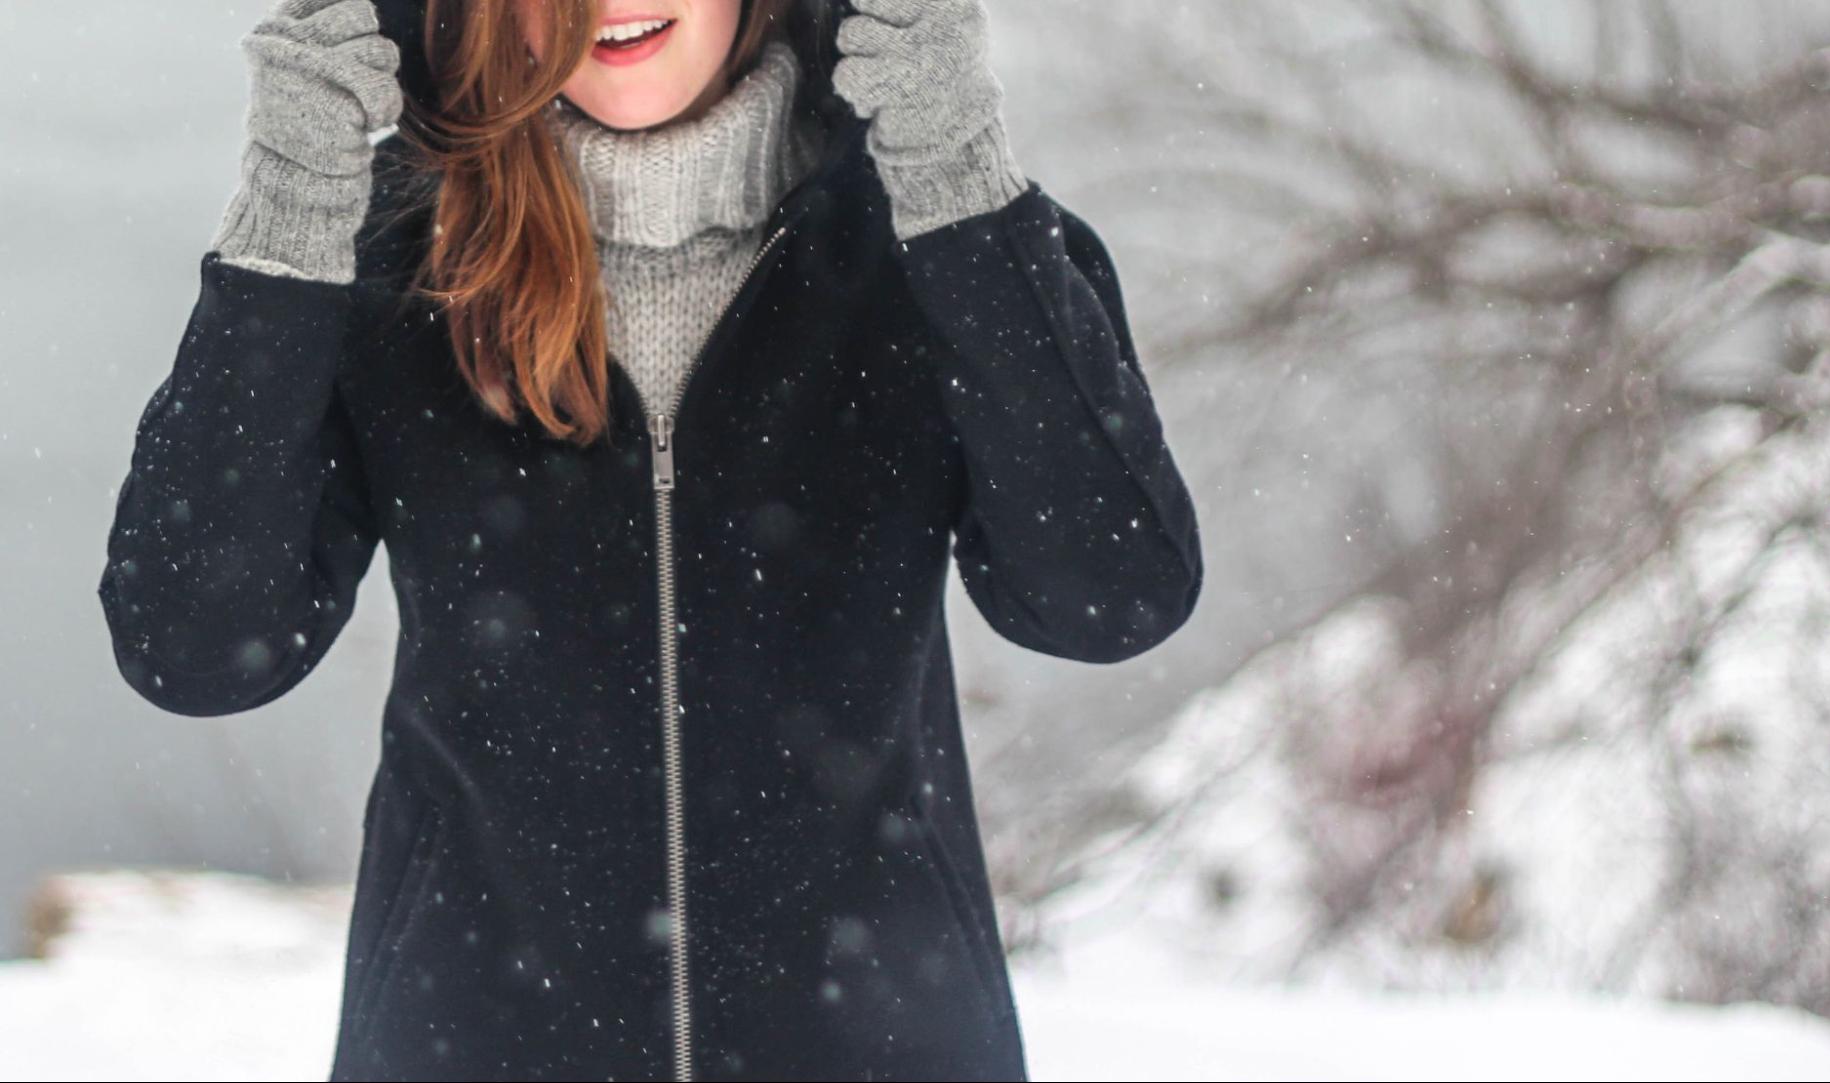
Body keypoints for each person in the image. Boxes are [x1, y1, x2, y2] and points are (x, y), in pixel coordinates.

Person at [94, 0, 1203, 1077]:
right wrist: (292, 207)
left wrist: (955, 167)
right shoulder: (394, 262)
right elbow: (194, 647)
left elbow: (1108, 597)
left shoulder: (936, 238)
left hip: (881, 1050)